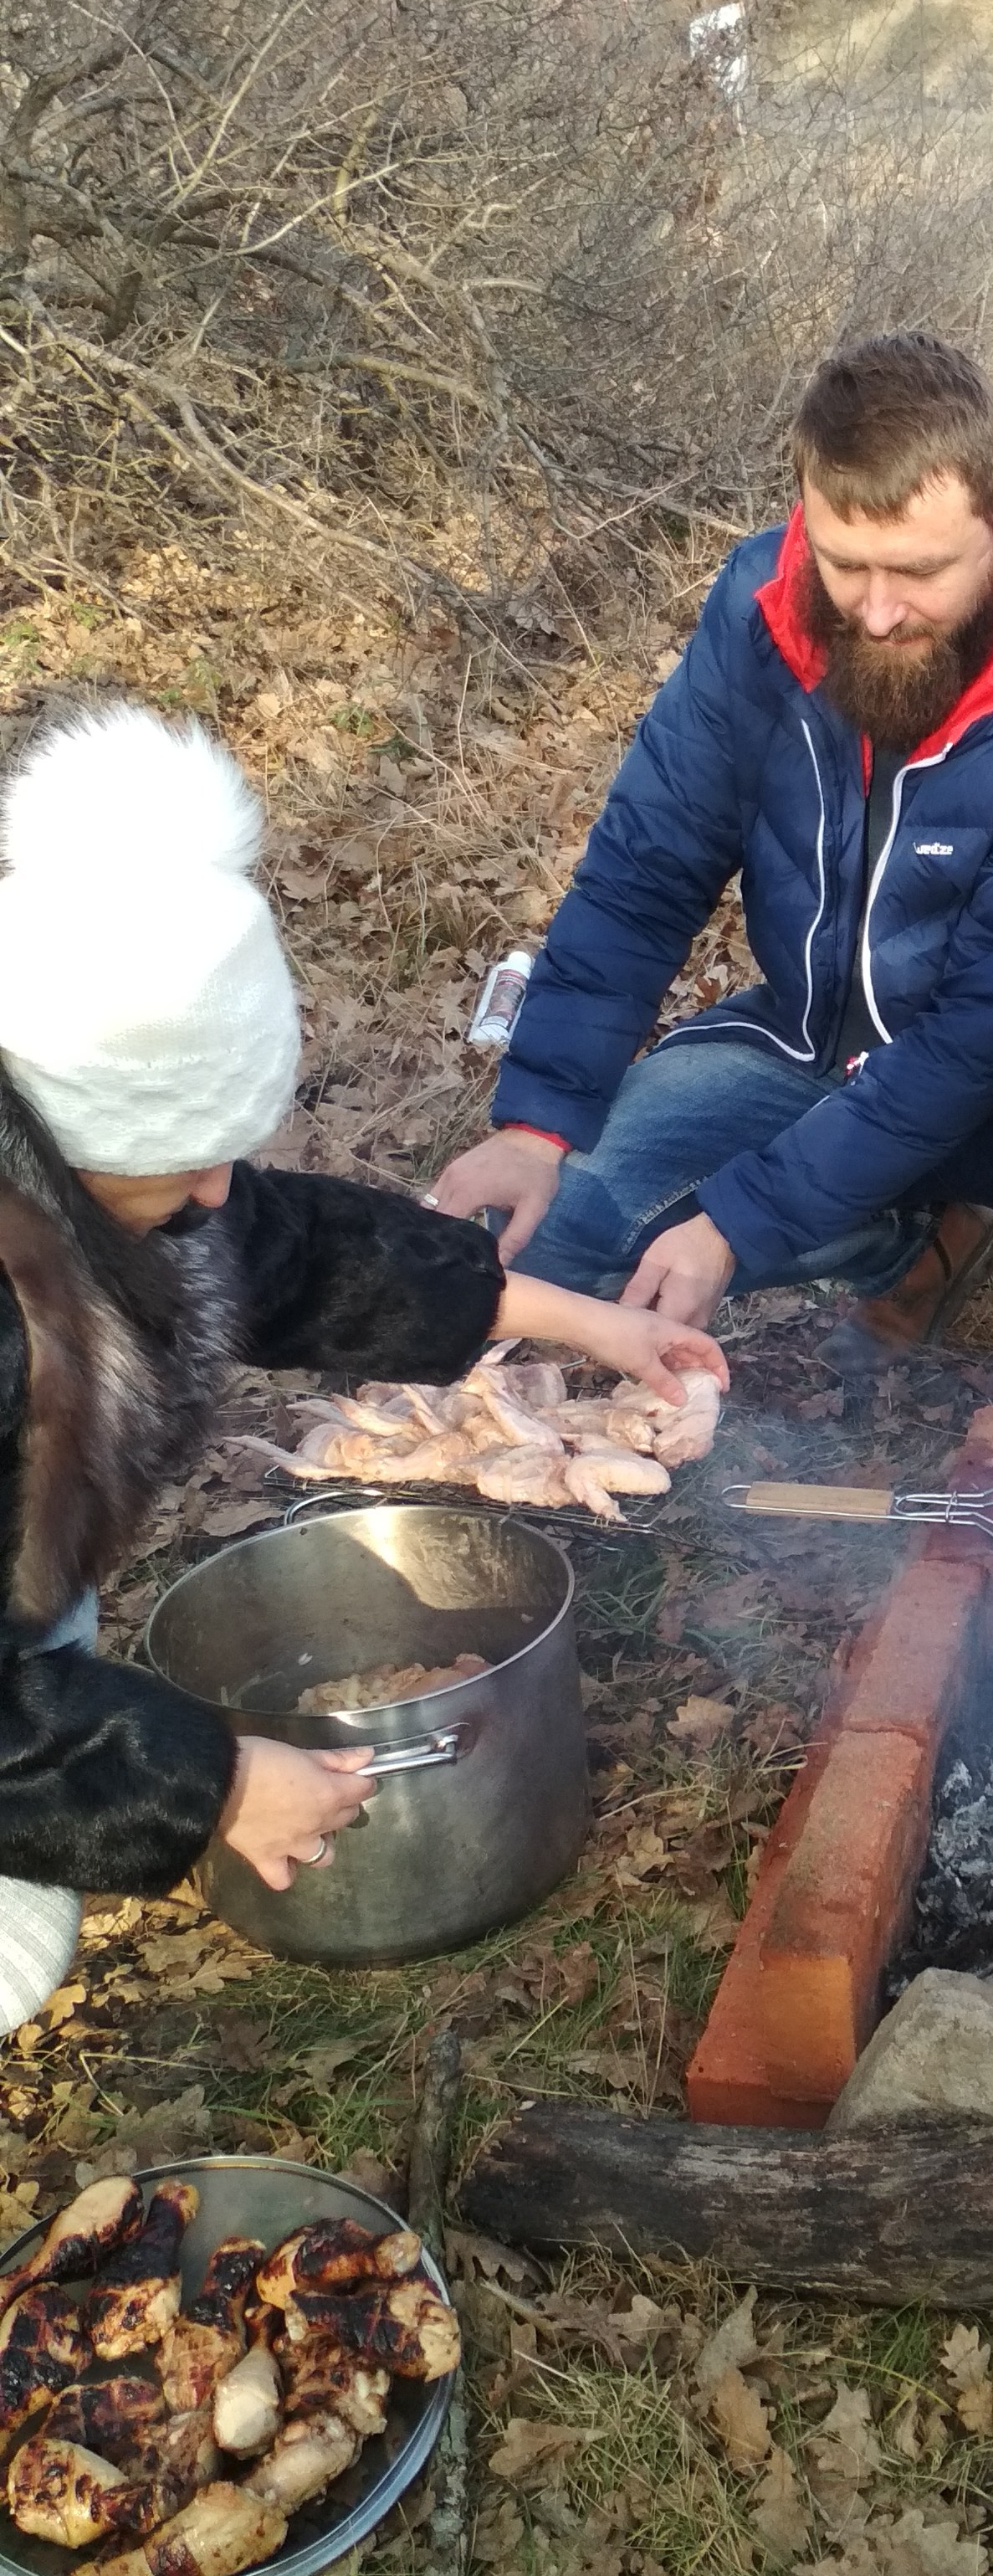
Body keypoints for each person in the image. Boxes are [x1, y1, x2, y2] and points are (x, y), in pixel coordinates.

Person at [0, 699, 725, 2022]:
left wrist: (582, 1323)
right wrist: (208, 1779)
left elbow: (293, 1255)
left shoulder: (72, 1169)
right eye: (181, 1157)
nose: (221, 1185)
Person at [432, 333, 993, 1362]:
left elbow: (987, 1023)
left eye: (918, 570)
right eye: (844, 563)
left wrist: (739, 1223)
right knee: (556, 1248)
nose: (878, 609)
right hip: (826, 1048)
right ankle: (903, 1250)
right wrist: (535, 1121)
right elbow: (648, 865)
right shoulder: (762, 611)